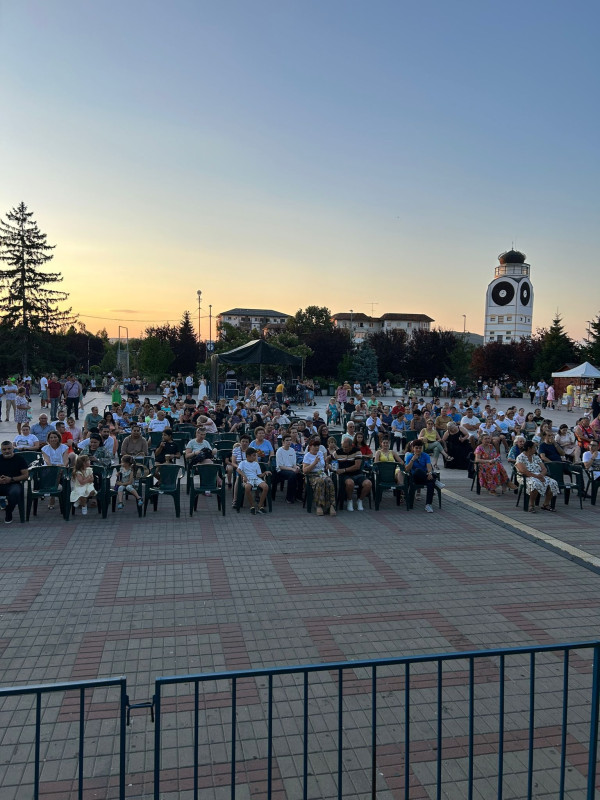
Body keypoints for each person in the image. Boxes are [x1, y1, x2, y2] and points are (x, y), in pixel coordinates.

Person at [515, 441, 560, 513]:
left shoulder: (536, 457)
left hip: (539, 475)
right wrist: (536, 476)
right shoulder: (520, 457)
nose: (536, 449)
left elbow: (544, 469)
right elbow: (523, 471)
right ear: (529, 448)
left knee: (553, 482)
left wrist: (541, 475)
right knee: (535, 483)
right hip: (526, 477)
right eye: (534, 447)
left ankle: (546, 504)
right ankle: (531, 505)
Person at [334, 437, 372, 512]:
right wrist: (328, 464)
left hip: (357, 474)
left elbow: (357, 466)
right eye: (343, 447)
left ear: (351, 446)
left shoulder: (357, 451)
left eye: (346, 448)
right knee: (350, 483)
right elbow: (329, 458)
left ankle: (360, 500)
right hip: (345, 475)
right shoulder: (338, 452)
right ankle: (349, 500)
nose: (344, 449)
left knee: (368, 484)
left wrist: (344, 470)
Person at [302, 437, 336, 516]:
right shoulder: (307, 456)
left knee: (329, 481)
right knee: (320, 482)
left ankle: (331, 505)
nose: (317, 448)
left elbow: (324, 464)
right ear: (310, 447)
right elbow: (305, 471)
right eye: (315, 446)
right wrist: (314, 463)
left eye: (318, 446)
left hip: (321, 473)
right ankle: (319, 505)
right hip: (311, 475)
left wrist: (327, 465)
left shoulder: (320, 453)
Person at [0, 441, 29, 523]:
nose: (7, 451)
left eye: (9, 449)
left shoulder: (19, 459)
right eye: (4, 449)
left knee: (15, 493)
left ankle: (8, 511)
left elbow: (26, 475)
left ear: (13, 448)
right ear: (1, 450)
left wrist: (11, 479)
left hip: (14, 483)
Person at [404, 441, 436, 512]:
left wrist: (430, 473)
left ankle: (428, 505)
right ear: (413, 448)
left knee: (431, 482)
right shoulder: (409, 456)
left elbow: (429, 467)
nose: (418, 450)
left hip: (424, 477)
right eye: (416, 448)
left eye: (420, 448)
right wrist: (413, 459)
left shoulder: (425, 456)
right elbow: (407, 469)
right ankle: (435, 481)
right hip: (414, 478)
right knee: (418, 470)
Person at [236, 447, 270, 514]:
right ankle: (252, 506)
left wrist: (265, 472)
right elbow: (238, 470)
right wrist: (244, 476)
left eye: (255, 455)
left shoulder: (256, 464)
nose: (255, 457)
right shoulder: (243, 463)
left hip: (256, 478)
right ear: (248, 456)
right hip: (248, 478)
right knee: (247, 487)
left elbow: (259, 475)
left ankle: (260, 505)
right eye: (254, 455)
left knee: (265, 487)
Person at [276, 433, 301, 504]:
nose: (289, 442)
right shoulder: (279, 451)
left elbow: (294, 464)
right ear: (283, 442)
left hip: (291, 469)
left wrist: (297, 467)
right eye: (287, 440)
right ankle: (289, 497)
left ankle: (298, 496)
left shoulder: (292, 450)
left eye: (290, 440)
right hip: (281, 470)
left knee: (301, 475)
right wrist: (293, 469)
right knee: (292, 475)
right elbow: (281, 466)